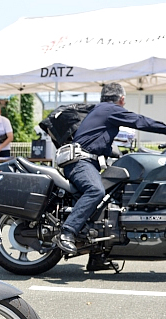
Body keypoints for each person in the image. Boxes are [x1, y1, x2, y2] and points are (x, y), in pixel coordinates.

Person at [54, 82, 166, 271]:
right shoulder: (110, 110)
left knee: (110, 199)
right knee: (95, 190)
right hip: (80, 162)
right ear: (121, 99)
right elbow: (140, 121)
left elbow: (100, 142)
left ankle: (97, 257)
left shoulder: (102, 111)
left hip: (85, 161)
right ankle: (67, 232)